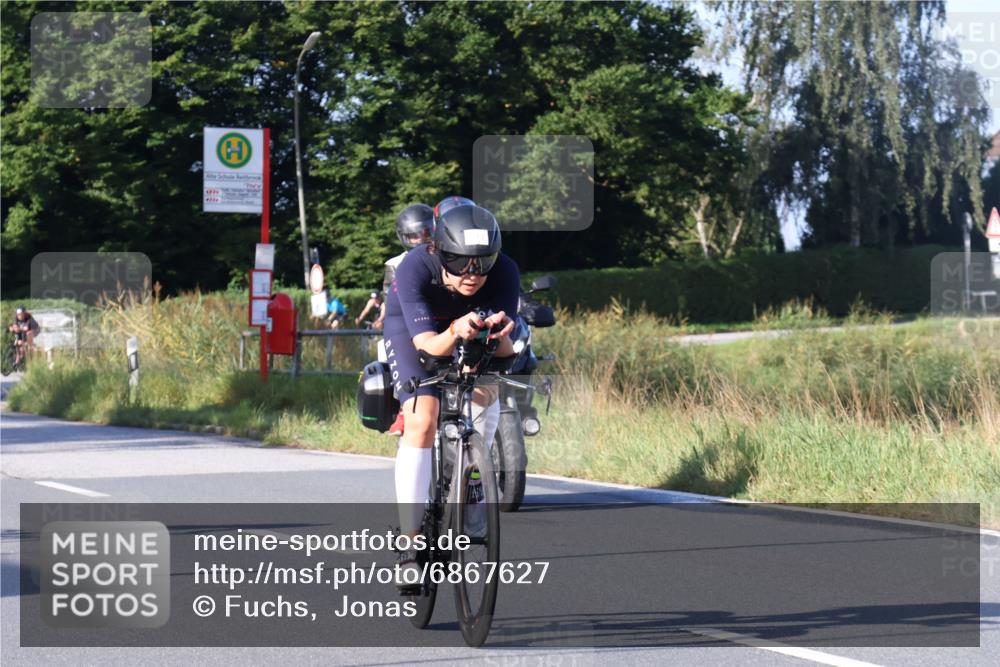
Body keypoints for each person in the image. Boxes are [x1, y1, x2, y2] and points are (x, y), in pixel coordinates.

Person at [381, 202, 518, 590]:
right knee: (424, 417)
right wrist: (457, 330)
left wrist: (502, 333)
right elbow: (427, 347)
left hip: (466, 327)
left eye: (482, 262)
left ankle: (473, 469)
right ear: (438, 251)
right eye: (459, 263)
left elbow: (508, 353)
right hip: (417, 333)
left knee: (486, 389)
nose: (472, 275)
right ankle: (410, 543)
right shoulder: (413, 266)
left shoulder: (504, 270)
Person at [381, 198, 473, 434]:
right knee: (385, 349)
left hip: (446, 319)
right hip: (413, 316)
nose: (419, 240)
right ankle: (404, 405)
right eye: (412, 236)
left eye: (423, 233)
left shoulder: (452, 252)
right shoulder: (397, 263)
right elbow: (392, 295)